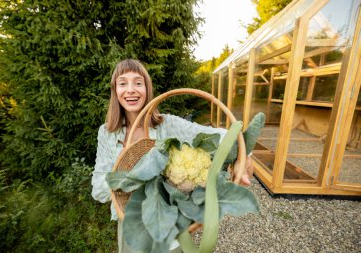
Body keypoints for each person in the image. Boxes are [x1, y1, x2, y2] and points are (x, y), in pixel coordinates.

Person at [91, 59, 254, 253]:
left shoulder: (167, 125)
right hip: (131, 224)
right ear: (115, 91)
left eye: (138, 82)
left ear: (147, 89)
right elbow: (98, 191)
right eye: (123, 83)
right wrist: (133, 175)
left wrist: (246, 156)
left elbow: (221, 136)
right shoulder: (107, 133)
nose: (131, 89)